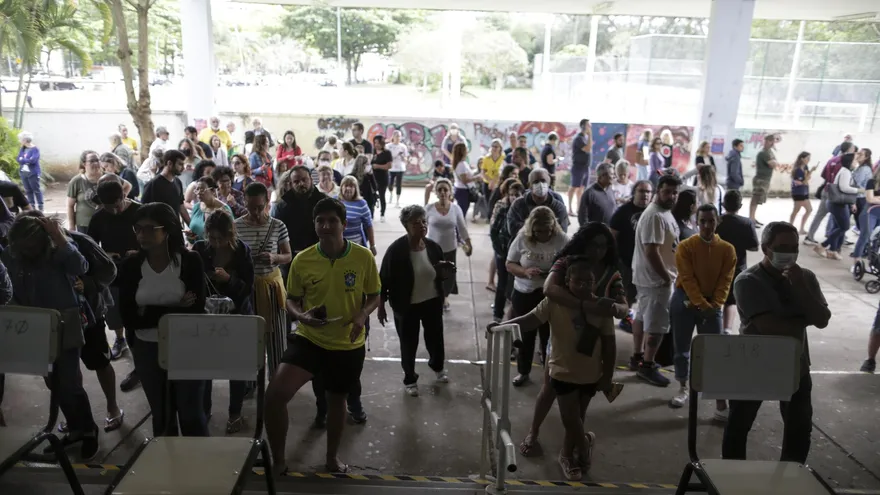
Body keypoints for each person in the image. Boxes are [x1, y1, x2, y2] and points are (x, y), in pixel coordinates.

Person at [266, 197, 380, 474]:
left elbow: (375, 295)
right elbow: (292, 299)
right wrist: (301, 315)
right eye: (320, 221)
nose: (326, 226)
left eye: (332, 221)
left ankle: (331, 458)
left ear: (345, 224)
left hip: (347, 343)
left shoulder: (362, 256)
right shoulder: (303, 259)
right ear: (314, 224)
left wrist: (362, 314)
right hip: (310, 339)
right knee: (274, 396)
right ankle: (279, 461)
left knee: (337, 400)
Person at [513, 223, 627, 465]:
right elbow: (548, 290)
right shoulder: (566, 263)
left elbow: (620, 313)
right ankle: (540, 434)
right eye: (593, 245)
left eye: (603, 246)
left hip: (590, 353)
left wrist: (614, 308)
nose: (598, 251)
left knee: (577, 411)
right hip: (562, 348)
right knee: (550, 394)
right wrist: (586, 305)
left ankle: (570, 451)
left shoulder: (611, 272)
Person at [723, 221, 830, 464]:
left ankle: (790, 478)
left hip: (796, 366)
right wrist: (805, 316)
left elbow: (822, 320)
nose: (789, 253)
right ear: (765, 248)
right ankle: (732, 478)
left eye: (794, 247)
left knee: (799, 430)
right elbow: (772, 328)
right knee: (738, 428)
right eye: (782, 247)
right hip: (754, 365)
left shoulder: (805, 277)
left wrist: (800, 287)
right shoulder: (747, 281)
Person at [3, 214, 99, 458]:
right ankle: (75, 429)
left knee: (70, 382)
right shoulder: (13, 255)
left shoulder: (59, 251)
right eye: (22, 246)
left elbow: (81, 267)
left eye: (32, 246)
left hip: (64, 322)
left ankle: (89, 430)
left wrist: (59, 237)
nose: (27, 251)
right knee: (52, 383)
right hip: (33, 326)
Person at [117, 203, 208, 437]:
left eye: (149, 229)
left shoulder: (190, 261)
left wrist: (147, 312)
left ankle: (199, 465)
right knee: (162, 414)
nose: (141, 235)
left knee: (192, 415)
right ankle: (166, 466)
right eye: (138, 229)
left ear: (167, 230)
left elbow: (195, 311)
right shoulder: (131, 265)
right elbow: (129, 317)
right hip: (147, 349)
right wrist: (175, 307)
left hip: (187, 345)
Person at [378, 205, 454, 396]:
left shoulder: (433, 247)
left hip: (432, 302)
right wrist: (381, 306)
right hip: (406, 306)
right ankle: (410, 378)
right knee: (408, 343)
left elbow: (438, 274)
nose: (421, 226)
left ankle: (438, 367)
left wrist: (444, 274)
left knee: (435, 338)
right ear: (406, 226)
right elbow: (383, 279)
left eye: (423, 221)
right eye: (415, 223)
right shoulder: (396, 251)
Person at [669, 204, 736, 419]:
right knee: (682, 347)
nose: (707, 225)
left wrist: (715, 304)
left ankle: (719, 400)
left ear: (718, 222)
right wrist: (703, 305)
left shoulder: (727, 249)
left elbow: (726, 281)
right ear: (696, 222)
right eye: (703, 221)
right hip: (685, 300)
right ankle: (683, 387)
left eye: (711, 221)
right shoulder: (685, 247)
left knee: (714, 352)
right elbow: (687, 279)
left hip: (712, 303)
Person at [192, 210, 255, 434]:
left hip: (237, 317)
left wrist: (229, 280)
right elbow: (189, 281)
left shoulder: (242, 252)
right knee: (205, 367)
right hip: (207, 319)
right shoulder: (199, 250)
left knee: (235, 367)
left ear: (231, 234)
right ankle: (205, 409)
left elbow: (248, 289)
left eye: (221, 238)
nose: (216, 243)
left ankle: (235, 413)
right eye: (212, 238)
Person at [507, 206, 569, 386]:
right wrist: (525, 271)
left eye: (547, 231)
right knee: (526, 335)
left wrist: (555, 272)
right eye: (539, 231)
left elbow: (571, 262)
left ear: (553, 227)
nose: (543, 235)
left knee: (549, 335)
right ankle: (523, 372)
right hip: (525, 292)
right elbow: (510, 264)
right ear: (532, 228)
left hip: (549, 293)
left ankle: (550, 374)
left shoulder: (561, 239)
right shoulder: (522, 238)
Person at [235, 182, 292, 377]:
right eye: (251, 207)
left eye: (260, 207)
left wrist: (274, 258)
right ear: (244, 202)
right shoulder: (236, 226)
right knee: (249, 337)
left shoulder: (278, 226)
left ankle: (276, 379)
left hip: (271, 288)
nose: (256, 212)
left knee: (275, 337)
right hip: (247, 289)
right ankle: (250, 381)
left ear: (268, 202)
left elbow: (288, 255)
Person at [630, 174, 681, 386]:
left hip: (650, 279)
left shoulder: (663, 212)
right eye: (667, 191)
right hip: (656, 281)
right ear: (659, 191)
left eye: (675, 192)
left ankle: (639, 357)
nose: (672, 196)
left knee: (643, 317)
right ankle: (648, 365)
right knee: (657, 325)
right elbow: (652, 252)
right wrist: (667, 277)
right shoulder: (655, 217)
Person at [88, 181, 141, 365]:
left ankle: (137, 343)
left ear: (124, 196)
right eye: (110, 208)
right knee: (114, 309)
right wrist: (105, 254)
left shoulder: (140, 212)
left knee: (137, 309)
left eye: (118, 206)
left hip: (139, 270)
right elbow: (90, 247)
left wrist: (140, 252)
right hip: (113, 272)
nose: (115, 211)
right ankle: (120, 339)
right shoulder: (98, 218)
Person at [609, 180, 653, 331]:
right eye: (641, 191)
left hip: (647, 263)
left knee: (643, 294)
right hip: (626, 261)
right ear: (634, 192)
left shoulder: (653, 212)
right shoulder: (623, 212)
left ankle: (639, 318)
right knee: (626, 293)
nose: (645, 195)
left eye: (648, 192)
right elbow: (612, 235)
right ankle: (626, 318)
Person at [715, 190, 759, 336]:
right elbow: (754, 246)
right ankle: (727, 330)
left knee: (715, 298)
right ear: (740, 205)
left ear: (723, 204)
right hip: (737, 267)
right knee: (731, 300)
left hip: (716, 266)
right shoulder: (746, 223)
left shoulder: (716, 221)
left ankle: (714, 329)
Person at [426, 178, 471, 310]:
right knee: (433, 274)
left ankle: (444, 297)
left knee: (448, 276)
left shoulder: (456, 209)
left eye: (445, 189)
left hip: (450, 248)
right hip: (433, 249)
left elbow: (462, 228)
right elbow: (421, 227)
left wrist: (468, 244)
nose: (443, 192)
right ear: (436, 192)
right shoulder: (429, 208)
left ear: (450, 192)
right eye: (439, 190)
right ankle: (434, 297)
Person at [804, 143, 854, 246]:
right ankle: (833, 236)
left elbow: (824, 174)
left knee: (820, 215)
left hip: (827, 189)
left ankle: (810, 236)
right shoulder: (845, 162)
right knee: (839, 218)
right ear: (849, 149)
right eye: (853, 149)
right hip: (837, 193)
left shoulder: (832, 160)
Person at [814, 151, 861, 260]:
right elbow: (844, 188)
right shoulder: (846, 172)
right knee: (844, 227)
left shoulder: (845, 171)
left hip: (839, 203)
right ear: (849, 161)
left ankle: (832, 251)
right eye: (854, 160)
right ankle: (823, 245)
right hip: (838, 204)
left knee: (838, 227)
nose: (856, 162)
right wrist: (859, 190)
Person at [490, 178, 524, 322]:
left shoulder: (524, 213)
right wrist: (499, 250)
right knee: (502, 284)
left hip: (519, 257)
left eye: (517, 195)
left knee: (516, 286)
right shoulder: (503, 210)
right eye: (511, 194)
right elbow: (494, 232)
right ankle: (498, 315)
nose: (514, 197)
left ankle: (515, 316)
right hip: (503, 254)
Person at [272, 166, 325, 258]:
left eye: (304, 180)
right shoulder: (282, 206)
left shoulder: (324, 201)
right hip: (291, 256)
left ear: (311, 180)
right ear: (291, 184)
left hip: (319, 254)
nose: (301, 184)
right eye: (296, 181)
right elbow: (276, 234)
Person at [508, 168, 569, 241]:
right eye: (536, 182)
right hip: (524, 248)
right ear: (529, 185)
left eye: (543, 181)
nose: (540, 184)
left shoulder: (558, 206)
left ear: (548, 183)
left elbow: (562, 232)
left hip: (550, 250)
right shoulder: (518, 204)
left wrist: (530, 228)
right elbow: (512, 229)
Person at [141, 149, 191, 226]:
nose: (183, 168)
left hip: (175, 229)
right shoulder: (153, 185)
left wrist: (191, 227)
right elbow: (144, 211)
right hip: (159, 232)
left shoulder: (177, 182)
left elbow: (181, 206)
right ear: (169, 163)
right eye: (180, 164)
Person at [67, 150, 104, 233]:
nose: (96, 163)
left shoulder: (107, 177)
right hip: (84, 224)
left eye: (97, 160)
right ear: (84, 164)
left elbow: (126, 186)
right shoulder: (76, 181)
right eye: (92, 161)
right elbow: (70, 206)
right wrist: (71, 226)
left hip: (106, 222)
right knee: (87, 246)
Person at [187, 177, 233, 242]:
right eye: (197, 189)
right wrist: (191, 236)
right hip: (197, 248)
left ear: (213, 191)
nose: (198, 193)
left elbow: (230, 236)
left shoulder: (223, 210)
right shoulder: (196, 207)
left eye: (202, 190)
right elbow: (194, 232)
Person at [338, 176, 377, 254]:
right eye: (346, 186)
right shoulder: (335, 201)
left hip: (355, 246)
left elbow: (369, 225)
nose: (348, 188)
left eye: (351, 186)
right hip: (337, 246)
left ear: (356, 189)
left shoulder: (361, 204)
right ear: (341, 187)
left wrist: (372, 246)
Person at [749, 134, 779, 227]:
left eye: (772, 141)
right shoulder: (764, 153)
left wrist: (774, 162)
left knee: (758, 200)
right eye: (769, 141)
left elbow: (775, 163)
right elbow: (773, 164)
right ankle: (751, 220)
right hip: (760, 179)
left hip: (765, 179)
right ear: (765, 141)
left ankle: (753, 218)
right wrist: (774, 162)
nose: (771, 143)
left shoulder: (769, 152)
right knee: (755, 199)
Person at [568, 119, 592, 216]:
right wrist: (590, 135)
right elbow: (587, 148)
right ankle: (569, 209)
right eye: (588, 125)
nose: (590, 127)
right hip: (578, 167)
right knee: (574, 187)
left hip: (586, 167)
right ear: (583, 126)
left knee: (581, 188)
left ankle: (579, 209)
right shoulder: (579, 138)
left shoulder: (585, 138)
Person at [451, 142, 480, 218]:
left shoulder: (461, 163)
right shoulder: (461, 164)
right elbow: (464, 180)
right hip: (463, 191)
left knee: (462, 212)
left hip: (461, 190)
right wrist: (476, 178)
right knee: (462, 214)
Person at [789, 152, 814, 234]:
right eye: (807, 158)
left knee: (803, 210)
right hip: (798, 192)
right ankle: (791, 228)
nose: (808, 160)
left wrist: (809, 173)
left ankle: (798, 228)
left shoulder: (805, 167)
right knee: (799, 210)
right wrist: (808, 177)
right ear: (802, 159)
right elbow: (801, 182)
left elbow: (807, 178)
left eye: (809, 158)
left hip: (804, 191)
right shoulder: (797, 170)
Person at [371, 135, 393, 221]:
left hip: (383, 178)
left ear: (382, 143)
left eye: (378, 143)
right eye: (375, 143)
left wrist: (377, 166)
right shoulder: (372, 152)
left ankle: (382, 213)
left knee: (382, 196)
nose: (376, 145)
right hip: (372, 178)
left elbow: (389, 166)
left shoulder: (387, 153)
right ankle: (371, 213)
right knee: (371, 196)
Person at [386, 130, 408, 207]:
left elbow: (406, 159)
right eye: (397, 136)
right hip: (391, 168)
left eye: (399, 136)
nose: (398, 138)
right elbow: (386, 158)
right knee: (390, 184)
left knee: (399, 184)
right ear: (393, 137)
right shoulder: (388, 146)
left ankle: (397, 201)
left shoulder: (403, 147)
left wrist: (402, 156)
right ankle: (391, 194)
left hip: (400, 168)